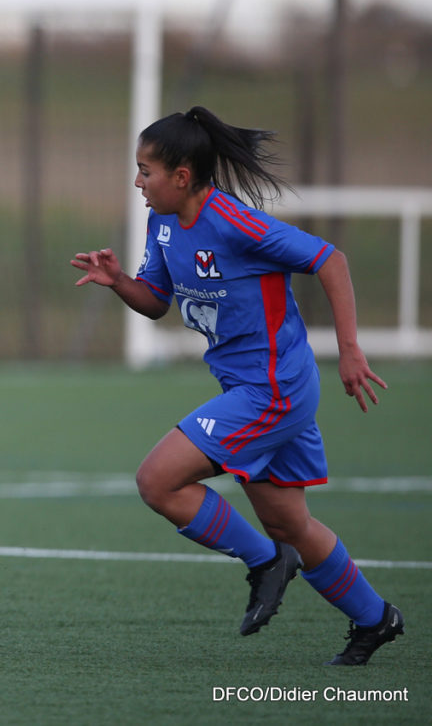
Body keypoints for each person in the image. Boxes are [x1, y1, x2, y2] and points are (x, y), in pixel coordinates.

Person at [70, 106, 403, 666]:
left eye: (146, 171)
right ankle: (376, 619)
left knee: (157, 481)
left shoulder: (234, 222)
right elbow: (156, 301)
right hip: (254, 389)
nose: (137, 182)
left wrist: (349, 349)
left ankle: (267, 561)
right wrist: (120, 281)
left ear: (182, 176)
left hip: (273, 390)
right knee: (288, 522)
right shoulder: (163, 224)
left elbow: (331, 260)